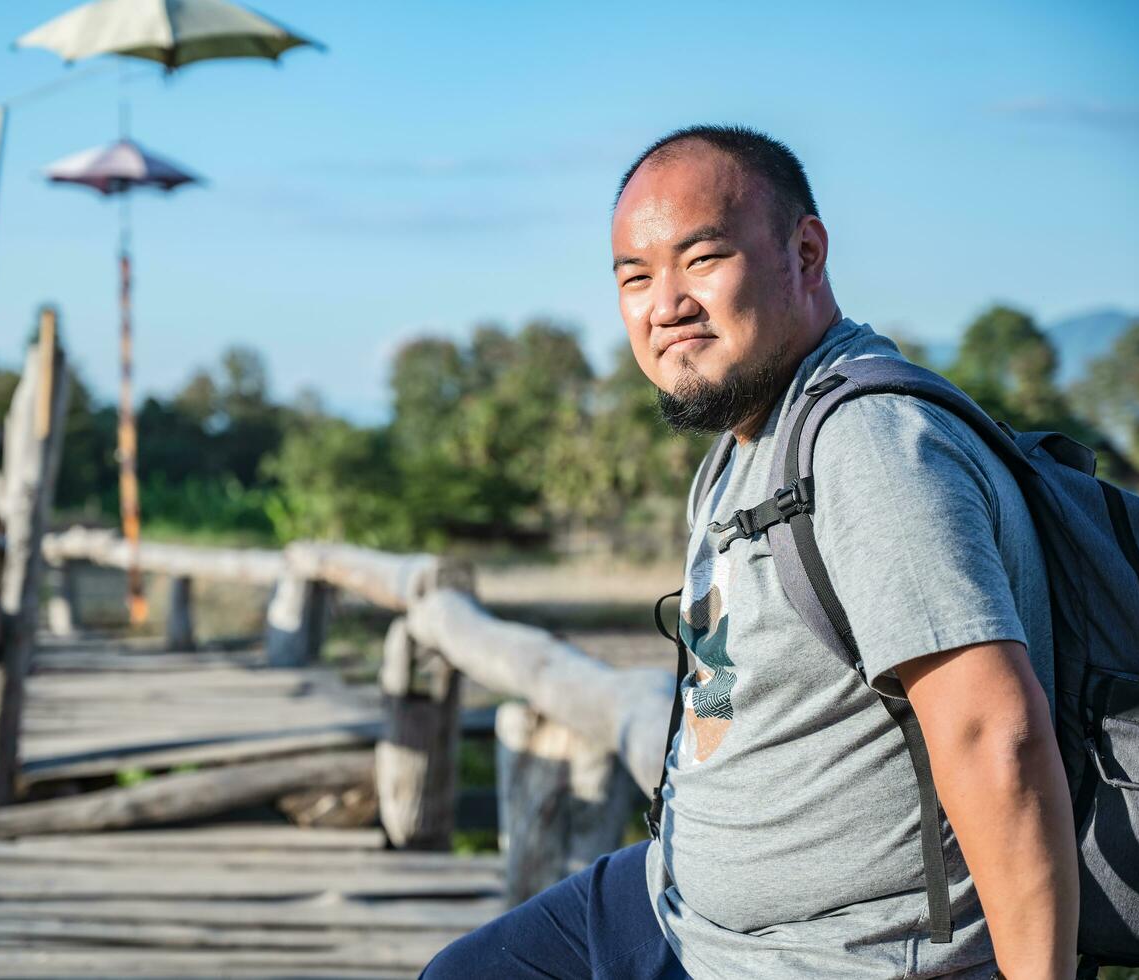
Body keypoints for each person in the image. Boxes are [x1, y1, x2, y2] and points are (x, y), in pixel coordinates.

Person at [422, 126, 1077, 979]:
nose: (664, 304)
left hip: (830, 953)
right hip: (675, 907)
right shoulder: (743, 443)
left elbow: (996, 736)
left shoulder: (868, 446)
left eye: (701, 260)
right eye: (634, 276)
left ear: (803, 252)